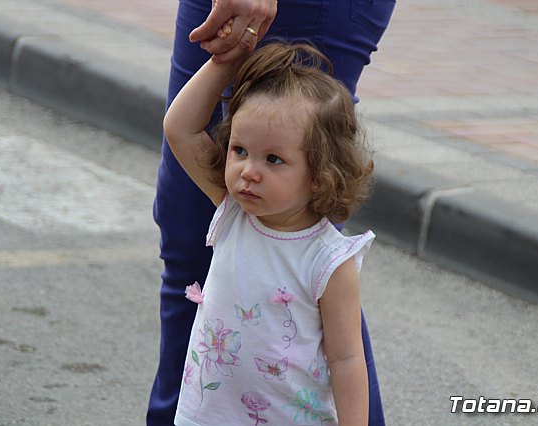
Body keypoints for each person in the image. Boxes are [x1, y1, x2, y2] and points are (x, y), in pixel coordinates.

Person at [149, 1, 396, 425]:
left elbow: (347, 358)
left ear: (321, 174)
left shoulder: (329, 260)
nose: (248, 172)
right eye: (239, 151)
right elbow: (182, 128)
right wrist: (228, 61)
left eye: (273, 160)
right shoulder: (232, 212)